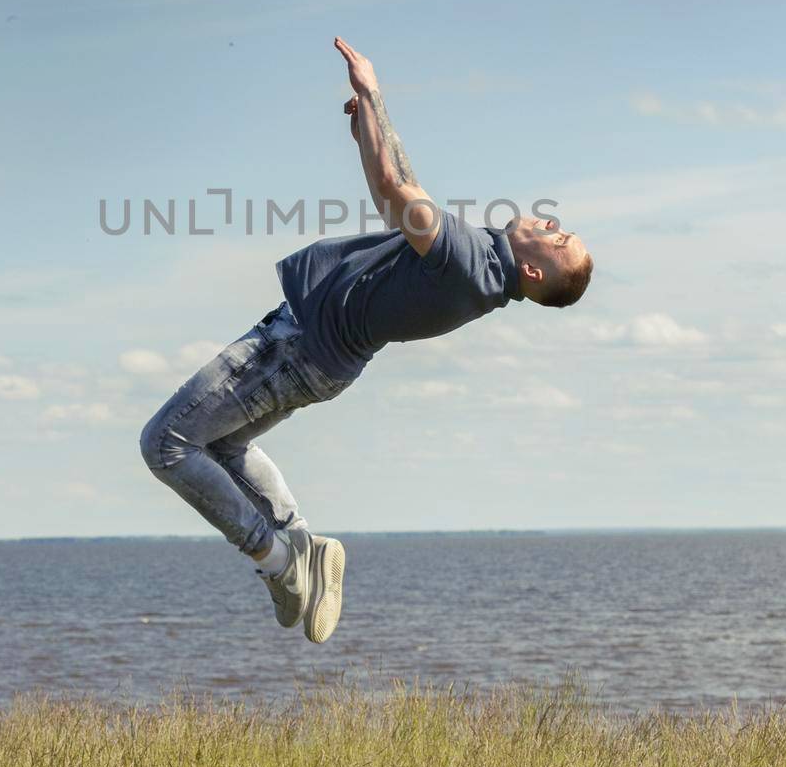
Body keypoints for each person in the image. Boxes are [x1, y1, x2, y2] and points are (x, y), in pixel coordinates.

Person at [140, 37, 593, 644]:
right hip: (321, 358)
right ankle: (302, 544)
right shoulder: (481, 263)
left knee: (165, 443)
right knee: (220, 446)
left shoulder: (472, 266)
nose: (551, 225)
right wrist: (367, 132)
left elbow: (394, 186)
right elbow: (397, 191)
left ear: (535, 274)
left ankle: (276, 561)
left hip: (294, 346)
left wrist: (373, 92)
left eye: (558, 241)